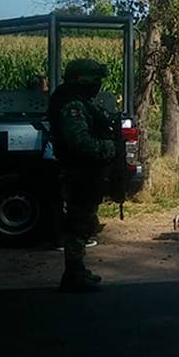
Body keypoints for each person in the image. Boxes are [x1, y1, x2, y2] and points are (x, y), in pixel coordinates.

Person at [47, 59, 117, 292]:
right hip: (79, 173)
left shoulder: (79, 102)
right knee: (78, 224)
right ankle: (73, 273)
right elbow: (79, 142)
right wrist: (108, 148)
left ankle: (77, 270)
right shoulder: (72, 106)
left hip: (86, 173)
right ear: (81, 80)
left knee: (84, 223)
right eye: (94, 79)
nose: (97, 84)